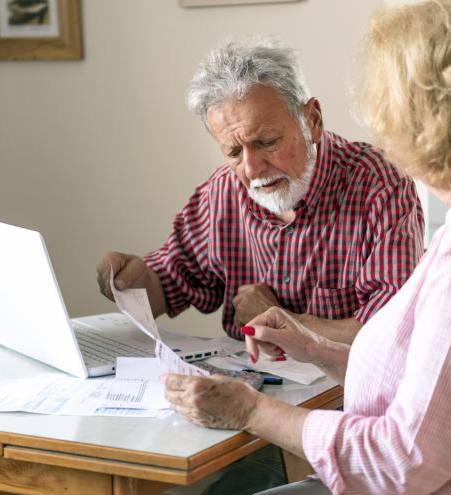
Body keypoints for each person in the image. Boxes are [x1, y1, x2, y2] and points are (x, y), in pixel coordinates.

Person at [161, 1, 451, 495]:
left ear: (417, 113)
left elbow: (402, 461)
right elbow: (443, 381)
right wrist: (312, 347)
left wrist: (252, 410)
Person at [96, 37, 424, 344]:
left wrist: (284, 323)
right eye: (234, 153)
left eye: (267, 142)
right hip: (253, 386)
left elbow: (394, 332)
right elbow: (169, 284)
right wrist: (131, 283)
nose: (252, 169)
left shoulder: (381, 184)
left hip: (346, 396)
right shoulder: (222, 192)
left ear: (312, 120)